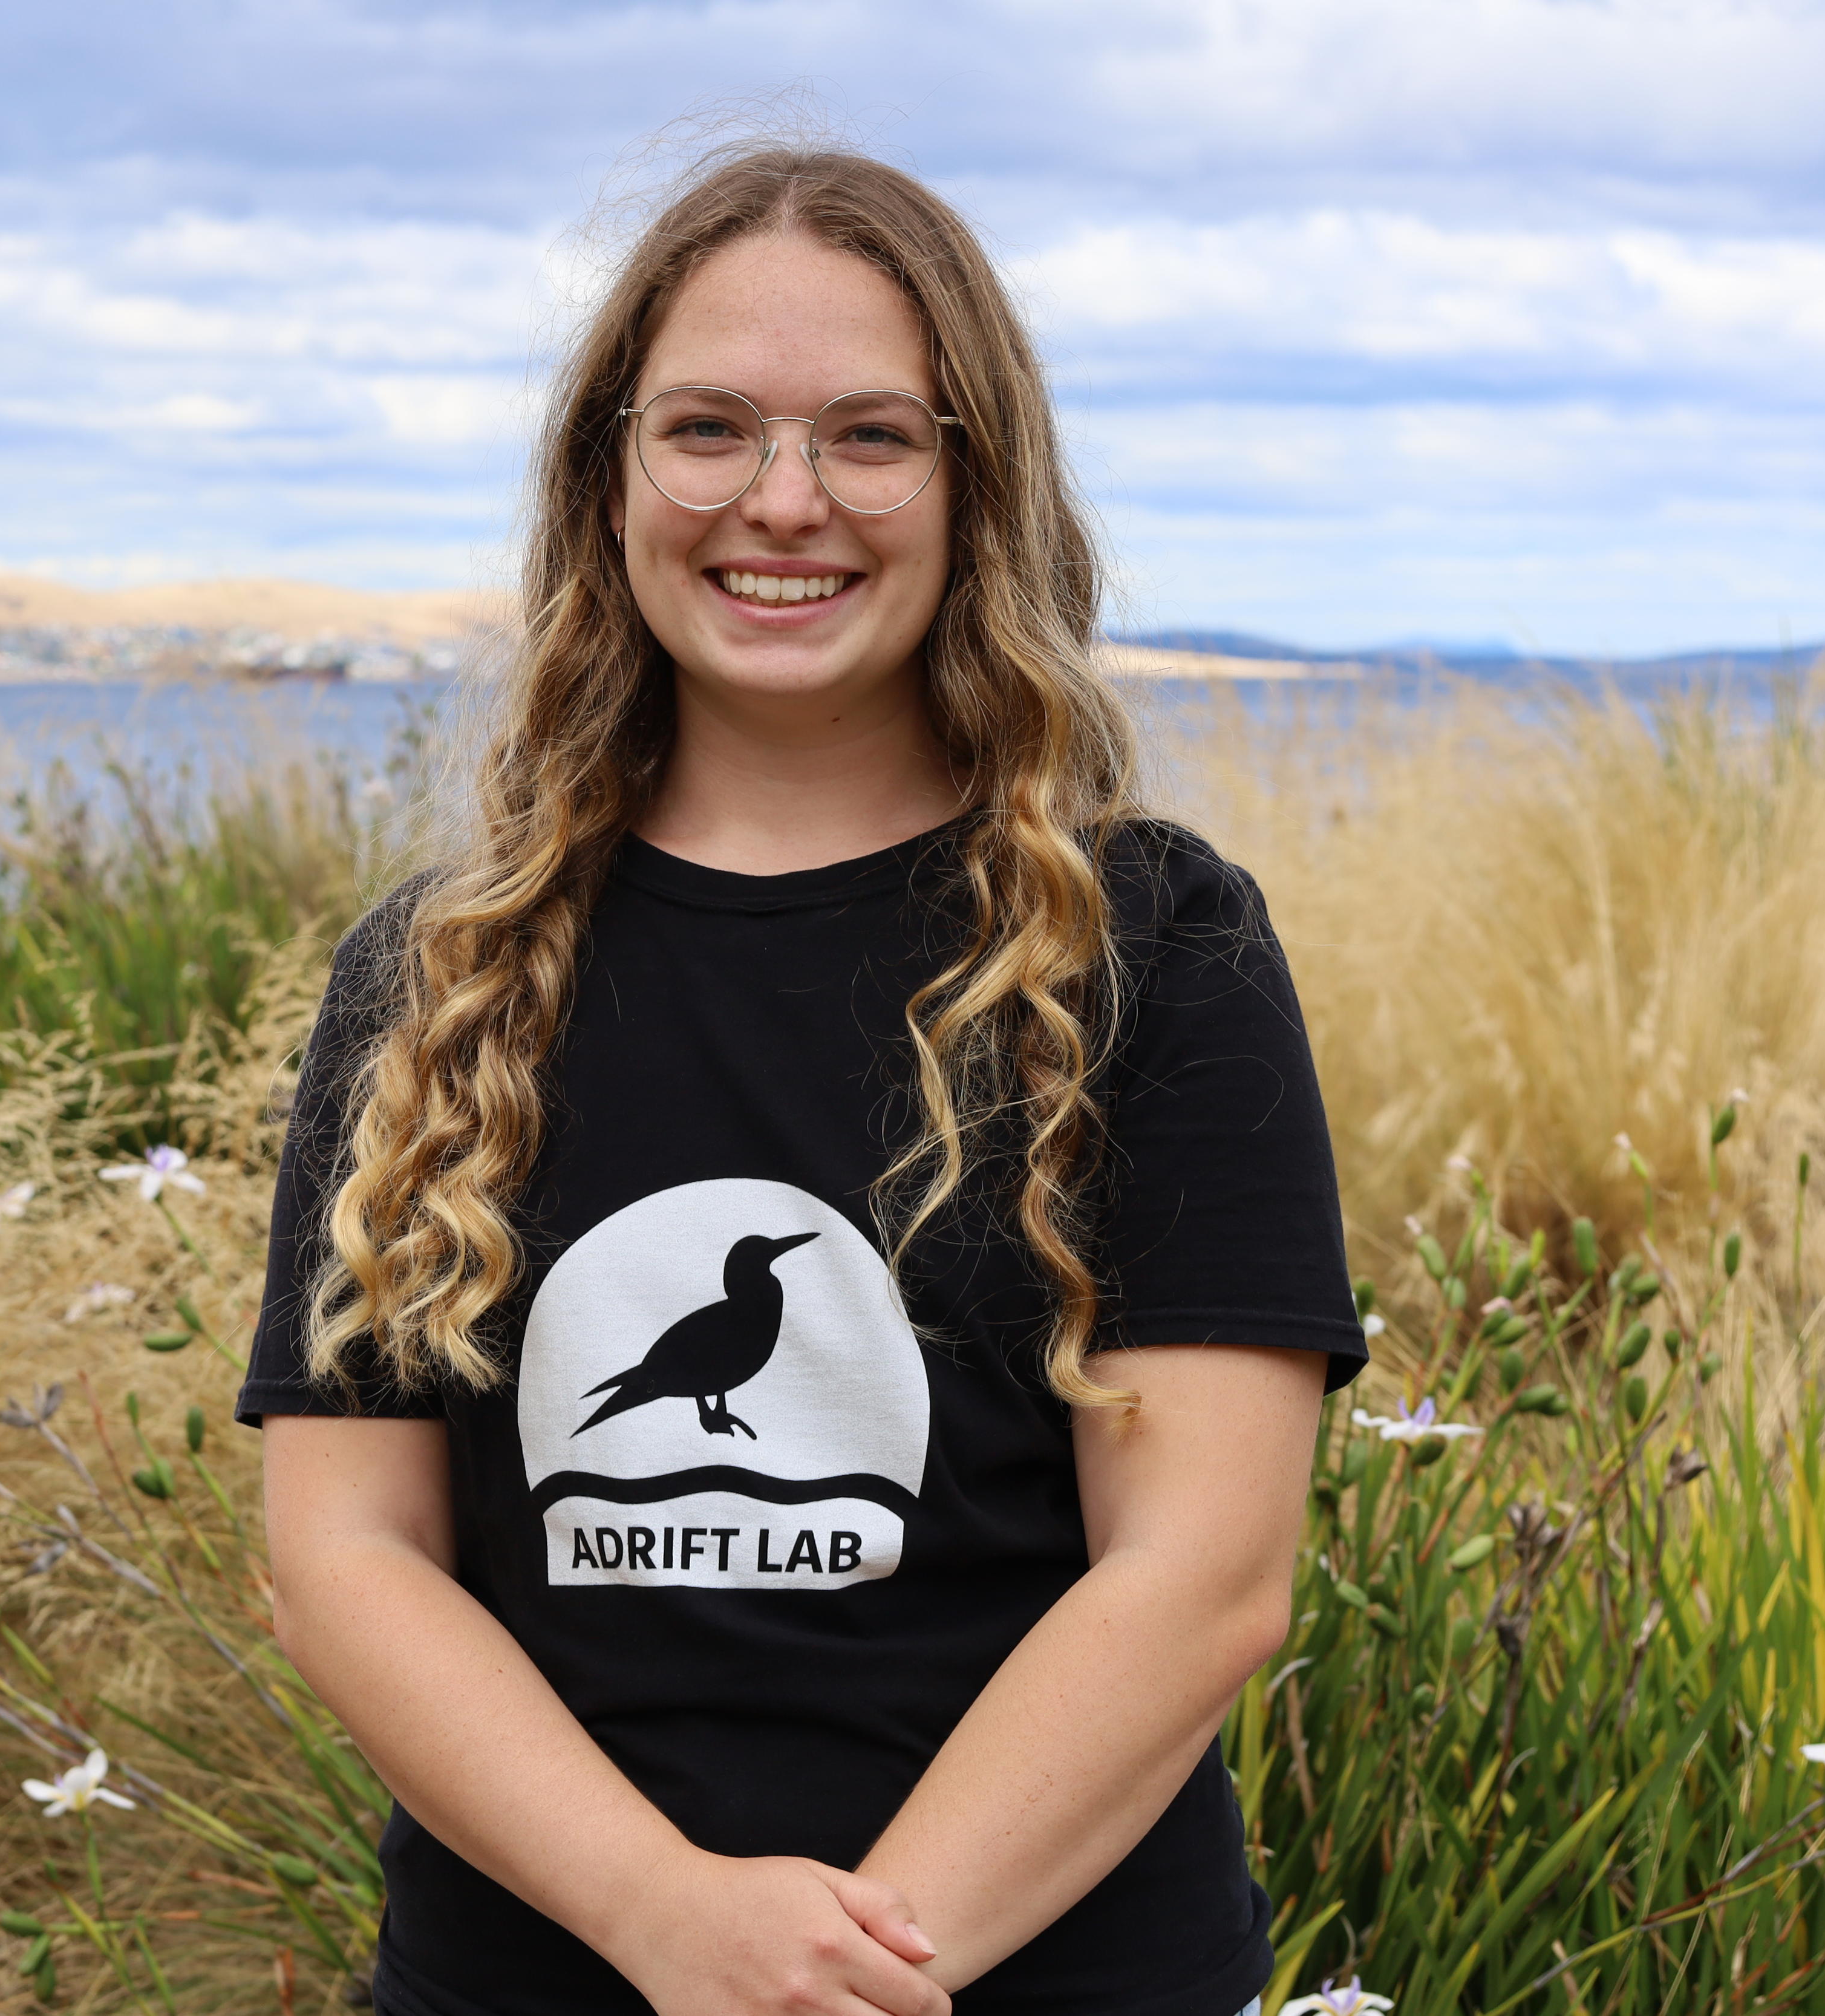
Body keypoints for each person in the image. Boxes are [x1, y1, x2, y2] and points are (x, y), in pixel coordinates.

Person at [237, 143, 1365, 2016]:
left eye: (870, 436)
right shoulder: (434, 977)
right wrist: (665, 1917)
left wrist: (837, 1980)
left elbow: (1203, 1577)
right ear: (610, 476)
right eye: (708, 430)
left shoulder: (1154, 947)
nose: (785, 502)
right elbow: (347, 1554)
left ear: (974, 482)